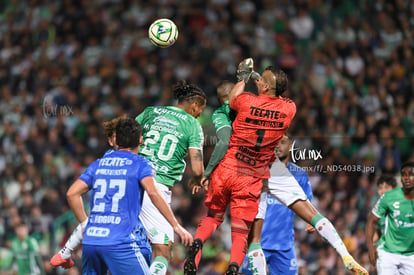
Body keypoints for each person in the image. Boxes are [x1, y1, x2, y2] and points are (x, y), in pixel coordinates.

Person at [184, 58, 296, 274]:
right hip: (251, 177)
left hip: (228, 168)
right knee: (240, 233)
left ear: (262, 85)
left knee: (213, 217)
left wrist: (244, 77)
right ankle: (234, 266)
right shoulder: (289, 109)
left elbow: (233, 98)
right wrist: (263, 82)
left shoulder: (246, 101)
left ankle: (197, 243)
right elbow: (278, 96)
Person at [66, 117, 193, 274]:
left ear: (116, 140)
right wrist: (175, 225)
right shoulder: (140, 164)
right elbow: (153, 192)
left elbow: (72, 193)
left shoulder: (99, 163)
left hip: (92, 241)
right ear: (140, 141)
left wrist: (85, 224)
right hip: (120, 241)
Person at [49, 116, 147, 269]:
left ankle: (65, 252)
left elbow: (72, 193)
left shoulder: (103, 161)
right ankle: (65, 252)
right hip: (121, 236)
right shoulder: (135, 161)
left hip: (98, 233)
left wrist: (85, 223)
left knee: (90, 223)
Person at [136, 80, 206, 275]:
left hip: (131, 180)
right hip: (156, 189)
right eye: (201, 108)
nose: (200, 113)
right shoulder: (192, 124)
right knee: (163, 251)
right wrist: (197, 178)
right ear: (194, 104)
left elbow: (126, 136)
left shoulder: (150, 112)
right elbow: (197, 166)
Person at [240, 134, 313, 275]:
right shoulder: (258, 171)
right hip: (257, 241)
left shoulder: (299, 174)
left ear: (291, 145)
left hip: (284, 246)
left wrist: (311, 221)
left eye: (283, 142)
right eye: (275, 142)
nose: (278, 146)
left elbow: (308, 203)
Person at [366, 162, 414, 274]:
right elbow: (372, 222)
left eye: (411, 174)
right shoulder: (388, 198)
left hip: (411, 254)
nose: (407, 177)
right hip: (388, 253)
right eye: (403, 174)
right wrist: (370, 247)